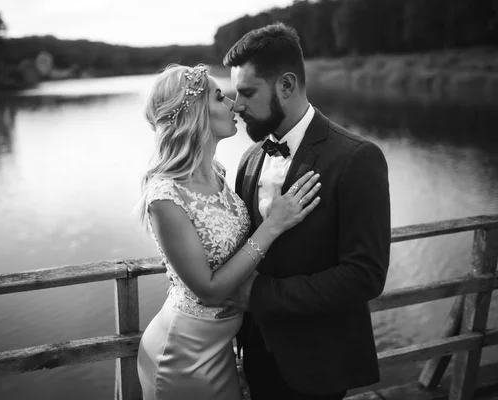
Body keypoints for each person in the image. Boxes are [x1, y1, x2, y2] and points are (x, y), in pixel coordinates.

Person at [220, 23, 392, 400]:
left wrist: (262, 296)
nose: (236, 105)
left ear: (286, 85)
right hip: (255, 353)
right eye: (234, 93)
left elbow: (365, 275)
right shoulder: (249, 160)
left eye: (247, 92)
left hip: (318, 363)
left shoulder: (357, 158)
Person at [136, 63, 322, 400]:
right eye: (219, 97)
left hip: (223, 343)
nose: (234, 104)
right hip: (185, 351)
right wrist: (274, 224)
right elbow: (209, 290)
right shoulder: (165, 197)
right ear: (195, 113)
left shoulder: (218, 172)